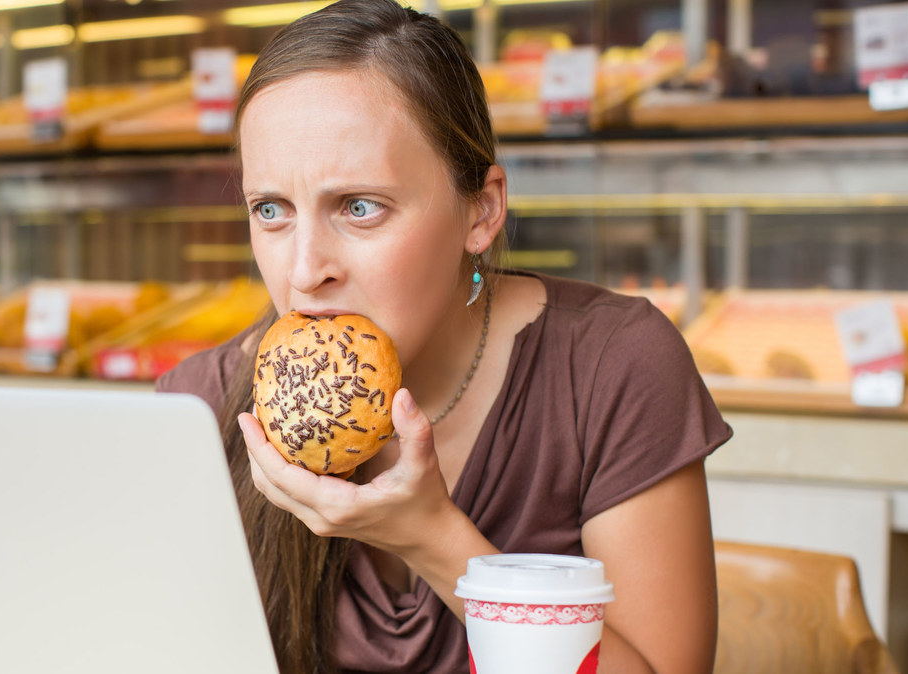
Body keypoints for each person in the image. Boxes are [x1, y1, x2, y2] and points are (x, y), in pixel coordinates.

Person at [157, 1, 733, 672]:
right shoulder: (200, 406)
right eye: (271, 211)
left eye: (360, 207)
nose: (307, 270)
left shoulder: (612, 368)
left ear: (480, 211)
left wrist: (433, 537)